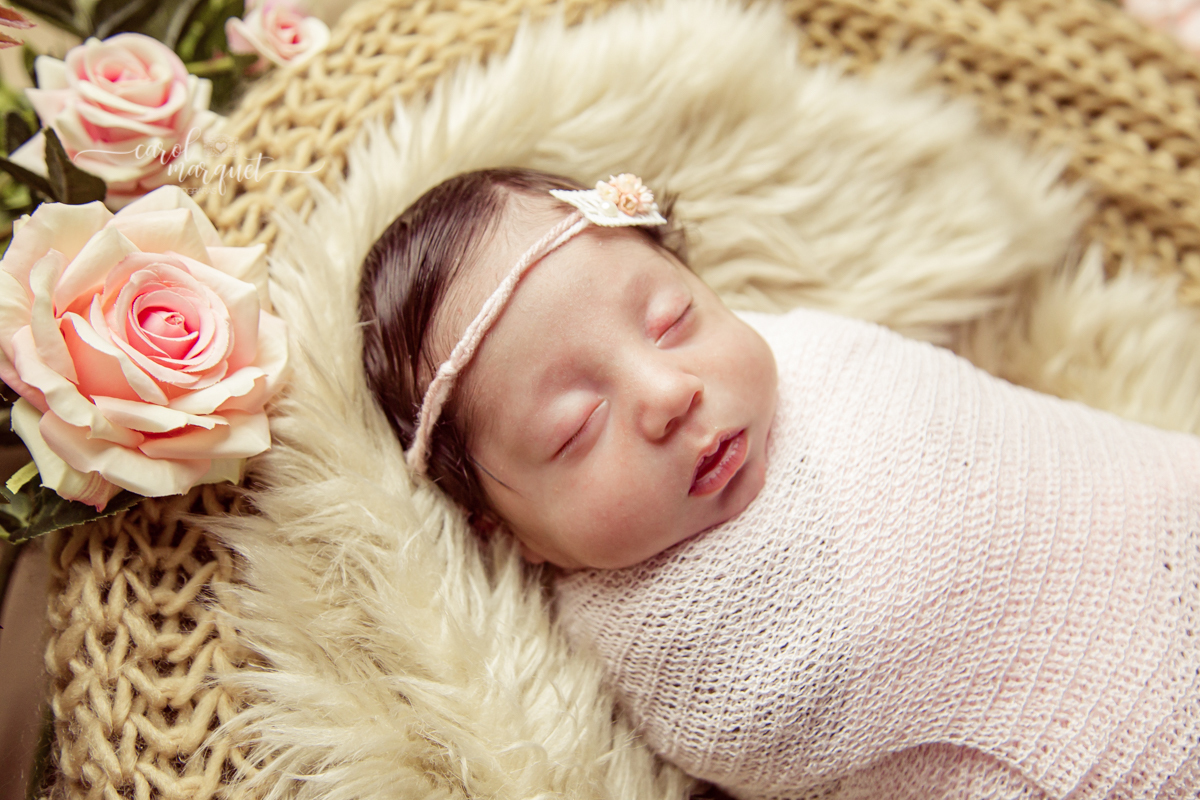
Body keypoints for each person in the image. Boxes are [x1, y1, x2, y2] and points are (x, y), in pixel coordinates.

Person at [359, 167, 1200, 799]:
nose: (668, 392)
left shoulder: (817, 357)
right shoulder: (670, 643)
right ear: (505, 530)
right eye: (577, 427)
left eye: (672, 321)